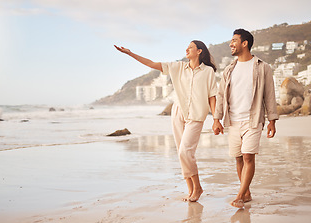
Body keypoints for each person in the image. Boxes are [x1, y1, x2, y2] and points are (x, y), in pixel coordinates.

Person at [115, 41, 217, 202]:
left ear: (199, 51)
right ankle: (191, 190)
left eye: (190, 47)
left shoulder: (208, 71)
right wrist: (130, 53)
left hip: (196, 115)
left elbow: (212, 95)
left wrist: (216, 119)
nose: (186, 49)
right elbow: (151, 63)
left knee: (185, 151)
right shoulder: (178, 67)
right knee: (181, 152)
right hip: (178, 111)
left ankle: (197, 187)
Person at [212, 29, 279, 208]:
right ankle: (247, 192)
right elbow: (220, 96)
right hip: (232, 121)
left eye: (234, 40)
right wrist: (216, 119)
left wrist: (272, 120)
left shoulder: (262, 67)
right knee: (239, 158)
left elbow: (269, 94)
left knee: (248, 156)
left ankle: (240, 195)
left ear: (245, 43)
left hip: (253, 119)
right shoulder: (229, 69)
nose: (230, 44)